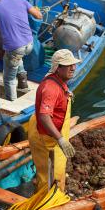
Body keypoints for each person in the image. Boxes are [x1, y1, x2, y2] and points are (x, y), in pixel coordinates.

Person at [28, 49, 80, 192]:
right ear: (58, 68)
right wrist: (60, 139)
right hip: (46, 138)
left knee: (55, 171)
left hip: (49, 134)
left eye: (73, 64)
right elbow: (44, 116)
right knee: (49, 177)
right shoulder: (51, 88)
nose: (73, 68)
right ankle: (47, 205)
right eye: (68, 65)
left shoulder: (57, 80)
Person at [0, 0, 42, 101]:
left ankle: (12, 101)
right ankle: (23, 81)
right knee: (17, 56)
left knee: (9, 78)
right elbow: (38, 15)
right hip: (29, 44)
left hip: (16, 49)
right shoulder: (20, 0)